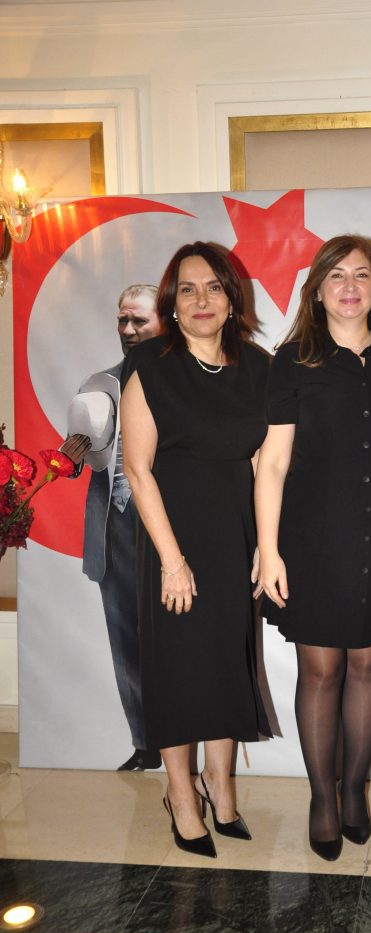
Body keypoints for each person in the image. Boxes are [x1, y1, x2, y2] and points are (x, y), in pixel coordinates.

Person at [255, 235, 371, 861]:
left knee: (369, 667)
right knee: (321, 671)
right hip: (314, 540)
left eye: (362, 276)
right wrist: (269, 550)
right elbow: (272, 463)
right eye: (337, 276)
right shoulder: (293, 360)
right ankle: (322, 798)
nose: (350, 287)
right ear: (317, 290)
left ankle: (354, 790)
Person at [120, 241, 272, 859]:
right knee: (180, 671)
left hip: (233, 537)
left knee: (227, 662)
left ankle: (219, 781)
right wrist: (172, 561)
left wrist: (265, 542)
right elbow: (137, 470)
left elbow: (263, 461)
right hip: (173, 540)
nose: (201, 299)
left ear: (232, 299)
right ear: (172, 303)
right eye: (187, 289)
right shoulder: (150, 366)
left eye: (214, 287)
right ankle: (180, 794)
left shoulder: (257, 366)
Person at [65, 284, 162, 772]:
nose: (128, 329)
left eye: (139, 320)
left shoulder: (186, 378)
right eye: (122, 320)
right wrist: (66, 457)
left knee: (181, 642)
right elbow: (76, 456)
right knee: (127, 641)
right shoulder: (100, 383)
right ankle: (145, 742)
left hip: (171, 526)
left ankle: (189, 740)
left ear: (164, 319)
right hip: (115, 528)